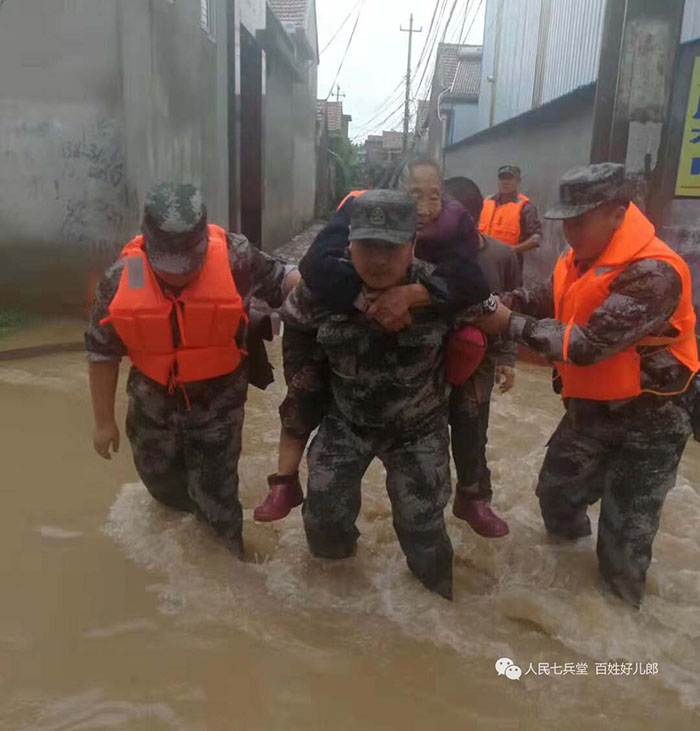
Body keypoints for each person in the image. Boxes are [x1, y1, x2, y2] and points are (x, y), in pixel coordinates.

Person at [479, 163, 700, 607]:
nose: (570, 232)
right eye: (567, 222)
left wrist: (508, 323)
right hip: (591, 409)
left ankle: (617, 629)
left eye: (580, 221)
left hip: (652, 419)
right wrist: (500, 300)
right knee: (557, 496)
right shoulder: (580, 257)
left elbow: (584, 345)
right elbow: (545, 296)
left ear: (618, 212)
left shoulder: (655, 272)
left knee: (623, 542)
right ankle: (567, 587)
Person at [253, 156, 493, 522]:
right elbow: (316, 265)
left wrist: (413, 294)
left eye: (435, 196)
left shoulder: (454, 219)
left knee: (472, 388)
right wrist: (368, 301)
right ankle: (285, 479)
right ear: (393, 192)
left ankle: (473, 492)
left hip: (433, 312)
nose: (426, 209)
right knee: (304, 389)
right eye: (415, 196)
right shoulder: (359, 208)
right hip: (354, 310)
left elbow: (474, 282)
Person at [86, 183, 300, 557]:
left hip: (217, 401)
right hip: (152, 401)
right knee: (160, 486)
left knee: (217, 502)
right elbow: (101, 351)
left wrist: (324, 285)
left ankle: (229, 573)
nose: (179, 275)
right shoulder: (121, 278)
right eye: (169, 266)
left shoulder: (235, 257)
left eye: (189, 263)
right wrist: (104, 421)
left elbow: (283, 279)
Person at [282, 190, 466, 599]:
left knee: (422, 527)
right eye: (368, 247)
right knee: (323, 517)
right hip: (346, 421)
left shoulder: (439, 288)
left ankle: (437, 607)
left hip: (418, 427)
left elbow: (487, 324)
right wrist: (301, 386)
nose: (379, 260)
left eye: (392, 248)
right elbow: (293, 324)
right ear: (349, 244)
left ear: (413, 245)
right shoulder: (325, 288)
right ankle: (334, 606)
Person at [444, 176, 522, 536]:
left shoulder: (502, 256)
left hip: (479, 359)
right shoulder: (423, 252)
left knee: (473, 428)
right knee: (422, 435)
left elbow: (507, 309)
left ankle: (474, 497)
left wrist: (508, 357)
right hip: (427, 357)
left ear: (474, 220)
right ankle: (428, 501)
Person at [479, 165, 542, 271]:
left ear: (518, 181)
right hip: (482, 262)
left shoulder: (525, 207)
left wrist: (512, 250)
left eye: (509, 178)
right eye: (502, 178)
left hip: (508, 265)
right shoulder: (486, 202)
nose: (505, 182)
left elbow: (536, 239)